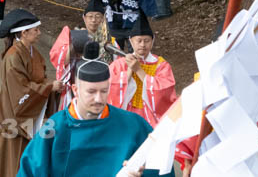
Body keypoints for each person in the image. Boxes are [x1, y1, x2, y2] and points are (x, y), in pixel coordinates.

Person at [16, 53, 155, 177]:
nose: (99, 99)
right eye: (91, 92)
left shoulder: (134, 125)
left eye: (104, 91)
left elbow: (158, 167)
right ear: (75, 90)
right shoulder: (54, 129)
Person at [0, 9, 63, 177]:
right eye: (35, 30)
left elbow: (38, 80)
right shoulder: (13, 56)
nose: (39, 33)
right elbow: (19, 89)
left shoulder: (32, 52)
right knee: (11, 162)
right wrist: (49, 87)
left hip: (27, 111)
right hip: (13, 114)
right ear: (24, 33)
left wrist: (50, 86)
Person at [50, 0, 114, 111]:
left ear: (103, 19)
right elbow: (60, 60)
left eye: (97, 17)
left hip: (100, 83)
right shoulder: (72, 35)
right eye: (90, 16)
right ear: (84, 18)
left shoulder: (109, 40)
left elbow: (115, 65)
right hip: (76, 81)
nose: (94, 20)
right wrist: (74, 45)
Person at [108, 13, 177, 125]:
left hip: (151, 115)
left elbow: (165, 92)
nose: (142, 45)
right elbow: (108, 87)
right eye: (139, 41)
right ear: (131, 41)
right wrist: (128, 72)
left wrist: (139, 70)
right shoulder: (119, 64)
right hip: (126, 113)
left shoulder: (161, 65)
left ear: (152, 41)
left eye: (146, 41)